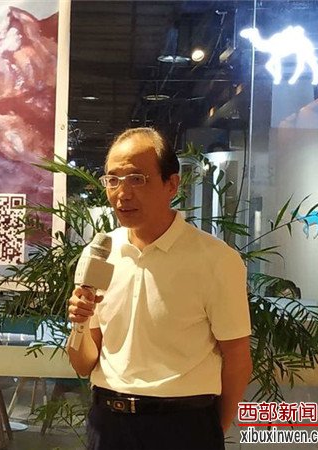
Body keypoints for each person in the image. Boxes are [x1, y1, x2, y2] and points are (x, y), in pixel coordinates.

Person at [67, 127, 252, 450]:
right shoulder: (99, 254)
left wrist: (211, 430)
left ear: (171, 184)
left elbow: (237, 358)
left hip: (184, 426)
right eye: (113, 180)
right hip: (109, 424)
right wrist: (79, 324)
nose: (122, 193)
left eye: (136, 179)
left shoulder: (215, 259)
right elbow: (84, 364)